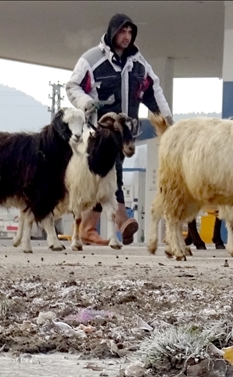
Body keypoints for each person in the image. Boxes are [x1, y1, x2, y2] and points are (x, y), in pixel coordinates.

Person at [66, 13, 173, 246]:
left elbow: (153, 92)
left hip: (126, 133)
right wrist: (86, 103)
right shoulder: (91, 60)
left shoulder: (139, 64)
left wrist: (167, 120)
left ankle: (87, 227)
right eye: (122, 32)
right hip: (99, 134)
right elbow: (72, 86)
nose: (127, 36)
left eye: (130, 32)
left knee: (103, 179)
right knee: (113, 174)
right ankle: (123, 221)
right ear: (113, 32)